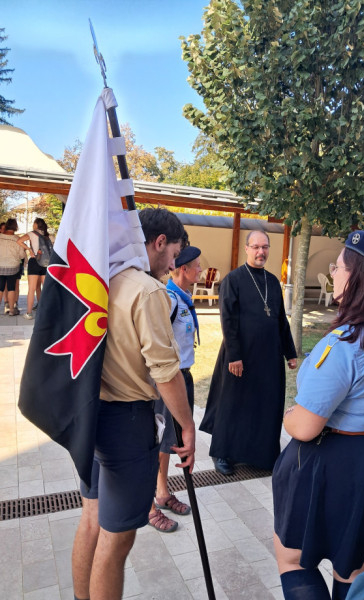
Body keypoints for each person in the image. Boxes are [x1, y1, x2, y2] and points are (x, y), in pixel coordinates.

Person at [272, 230, 364, 600]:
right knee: (352, 562)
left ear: (357, 278)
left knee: (292, 559)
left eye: (338, 267)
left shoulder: (346, 343)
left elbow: (305, 427)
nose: (334, 272)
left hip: (335, 465)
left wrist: (289, 415)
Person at [71, 208, 196, 600]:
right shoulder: (147, 290)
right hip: (125, 422)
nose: (174, 264)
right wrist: (187, 425)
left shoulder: (100, 276)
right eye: (173, 253)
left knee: (91, 518)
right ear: (159, 243)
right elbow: (166, 373)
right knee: (116, 540)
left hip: (90, 415)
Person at [200, 229, 297, 475]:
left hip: (268, 357)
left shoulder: (272, 282)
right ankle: (222, 453)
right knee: (233, 404)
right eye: (256, 247)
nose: (260, 252)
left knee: (265, 404)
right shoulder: (233, 280)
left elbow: (280, 321)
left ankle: (260, 455)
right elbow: (228, 320)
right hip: (240, 357)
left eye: (264, 247)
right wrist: (234, 356)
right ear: (247, 249)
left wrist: (290, 352)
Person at [148, 244, 202, 533]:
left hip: (183, 378)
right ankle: (148, 506)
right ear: (184, 269)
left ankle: (162, 492)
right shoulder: (168, 300)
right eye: (197, 266)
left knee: (168, 441)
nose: (201, 270)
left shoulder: (183, 297)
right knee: (155, 441)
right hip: (167, 381)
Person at [17, 217, 50, 319]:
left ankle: (29, 313)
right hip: (46, 263)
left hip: (34, 261)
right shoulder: (49, 236)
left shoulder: (32, 234)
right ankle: (46, 313)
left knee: (31, 289)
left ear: (36, 225)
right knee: (46, 289)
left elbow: (19, 241)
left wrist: (29, 249)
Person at [0, 218, 25, 316]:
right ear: (15, 227)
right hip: (13, 267)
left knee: (0, 288)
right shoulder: (17, 239)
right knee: (11, 288)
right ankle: (11, 310)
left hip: (0, 265)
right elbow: (22, 255)